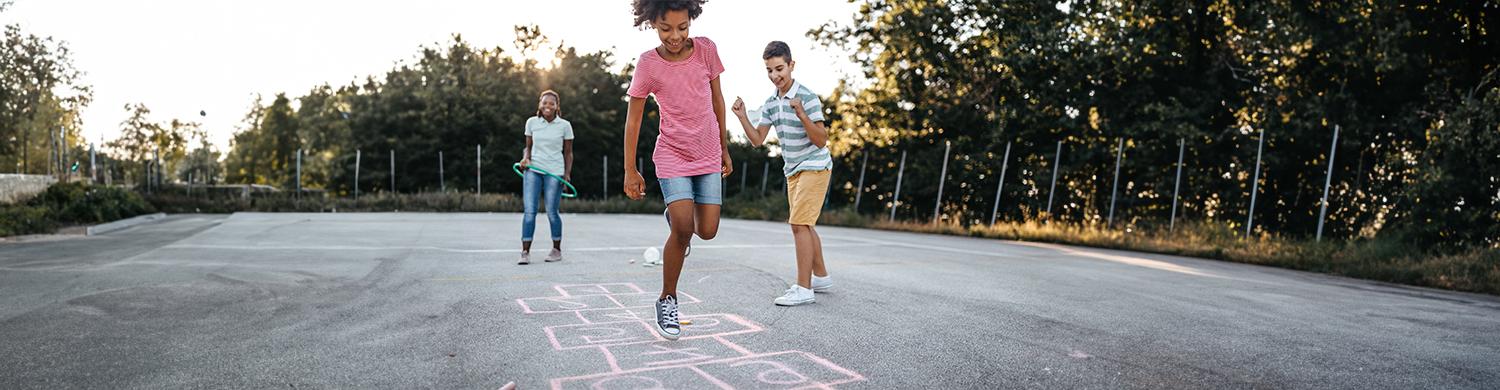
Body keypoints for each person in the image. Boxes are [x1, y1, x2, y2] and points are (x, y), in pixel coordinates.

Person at [622, 0, 732, 340]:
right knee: (684, 229)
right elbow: (635, 118)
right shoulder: (648, 64)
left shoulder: (706, 50)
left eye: (682, 28)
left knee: (708, 230)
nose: (675, 36)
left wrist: (724, 147)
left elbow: (718, 101)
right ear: (652, 22)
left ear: (691, 20)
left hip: (708, 152)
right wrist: (630, 169)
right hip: (672, 154)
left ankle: (678, 221)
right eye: (666, 28)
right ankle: (667, 299)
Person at [732, 41, 834, 306]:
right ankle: (820, 276)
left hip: (815, 165)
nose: (775, 75)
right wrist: (743, 117)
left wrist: (802, 114)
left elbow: (821, 139)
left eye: (779, 69)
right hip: (793, 170)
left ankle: (804, 288)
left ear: (791, 65)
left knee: (798, 224)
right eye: (769, 70)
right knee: (805, 224)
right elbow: (758, 140)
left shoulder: (808, 97)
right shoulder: (770, 103)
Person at [517, 90, 573, 265]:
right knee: (530, 212)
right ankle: (525, 252)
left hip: (555, 171)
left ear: (557, 106)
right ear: (540, 104)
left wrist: (567, 175)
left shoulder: (564, 125)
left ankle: (556, 250)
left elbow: (569, 153)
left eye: (552, 103)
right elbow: (528, 147)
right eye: (545, 103)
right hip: (533, 169)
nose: (548, 106)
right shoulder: (532, 122)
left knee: (551, 212)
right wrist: (525, 159)